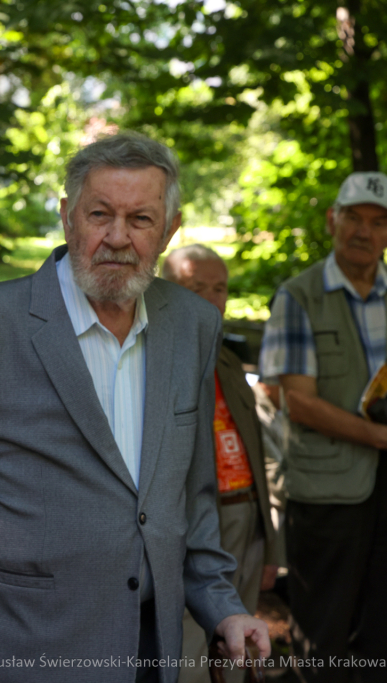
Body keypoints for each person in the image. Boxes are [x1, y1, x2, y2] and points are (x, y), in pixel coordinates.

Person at [0, 133, 271, 683]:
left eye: (140, 220)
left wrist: (224, 608)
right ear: (68, 217)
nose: (117, 238)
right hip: (23, 651)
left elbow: (190, 500)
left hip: (151, 650)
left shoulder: (193, 324)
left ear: (169, 230)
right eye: (100, 214)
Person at [258, 171, 387, 683]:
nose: (364, 232)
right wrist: (386, 438)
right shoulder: (299, 295)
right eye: (354, 218)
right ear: (332, 220)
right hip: (325, 490)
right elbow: (298, 401)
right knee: (323, 635)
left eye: (379, 222)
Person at [162, 244, 279, 683]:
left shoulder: (229, 362)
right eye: (196, 288)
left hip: (245, 516)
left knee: (239, 637)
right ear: (166, 291)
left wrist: (271, 542)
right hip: (195, 522)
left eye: (220, 289)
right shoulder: (160, 361)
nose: (212, 299)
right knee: (192, 640)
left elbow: (258, 454)